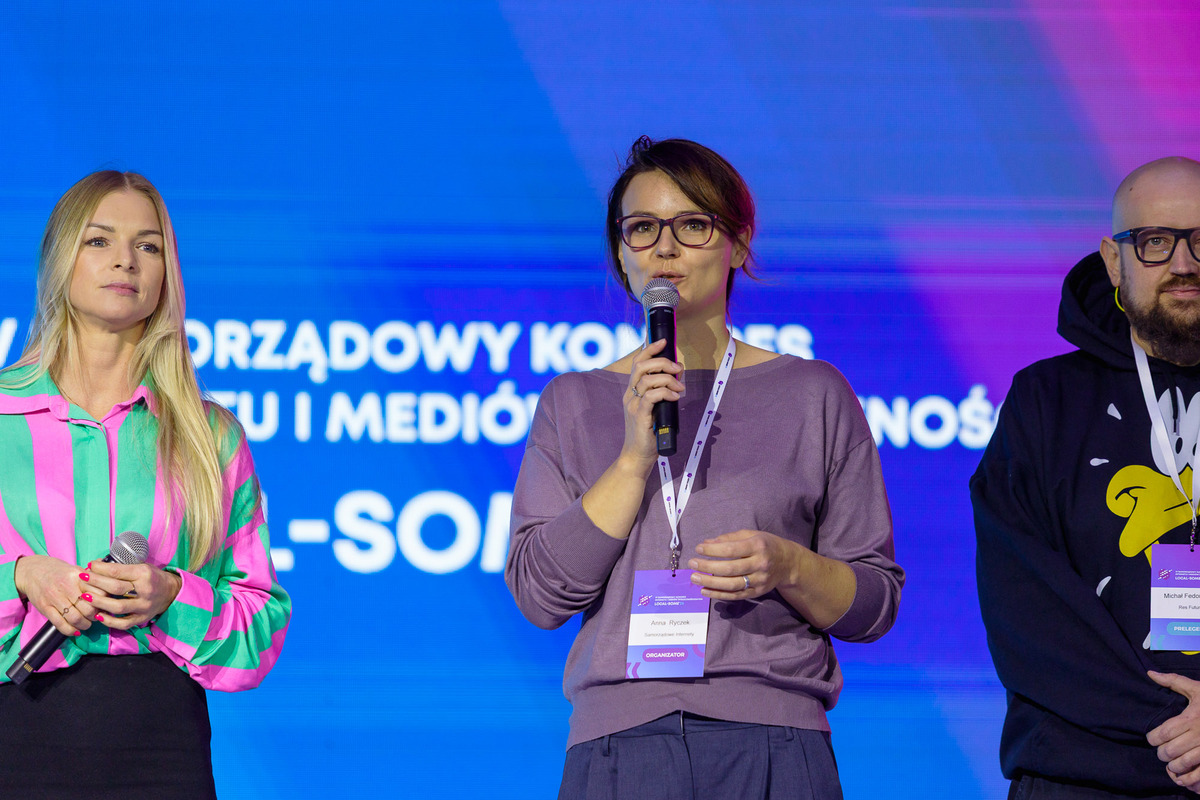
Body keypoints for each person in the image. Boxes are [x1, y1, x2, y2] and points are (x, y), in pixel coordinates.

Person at [506, 136, 903, 798]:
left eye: (692, 225)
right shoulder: (571, 403)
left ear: (738, 243)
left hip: (773, 743)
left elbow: (874, 604)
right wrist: (633, 457)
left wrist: (789, 565)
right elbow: (540, 596)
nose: (664, 249)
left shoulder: (813, 394)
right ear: (620, 253)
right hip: (618, 747)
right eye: (642, 228)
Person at [0, 171, 291, 798]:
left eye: (148, 245)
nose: (125, 260)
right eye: (99, 240)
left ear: (167, 274)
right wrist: (21, 577)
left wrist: (171, 595)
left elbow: (260, 626)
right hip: (14, 723)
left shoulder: (210, 436)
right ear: (60, 258)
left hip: (162, 745)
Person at [973, 157, 1200, 798]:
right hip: (1081, 773)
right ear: (1113, 260)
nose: (1183, 263)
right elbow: (1025, 607)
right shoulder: (1046, 401)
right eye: (1154, 241)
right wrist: (1179, 729)